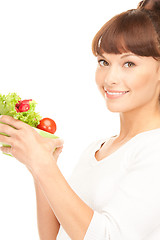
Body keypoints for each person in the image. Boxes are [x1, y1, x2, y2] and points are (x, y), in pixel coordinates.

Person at [0, 0, 160, 239]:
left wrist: (44, 167)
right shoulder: (97, 149)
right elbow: (56, 236)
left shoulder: (154, 149)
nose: (110, 78)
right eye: (104, 62)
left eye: (129, 63)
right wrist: (40, 166)